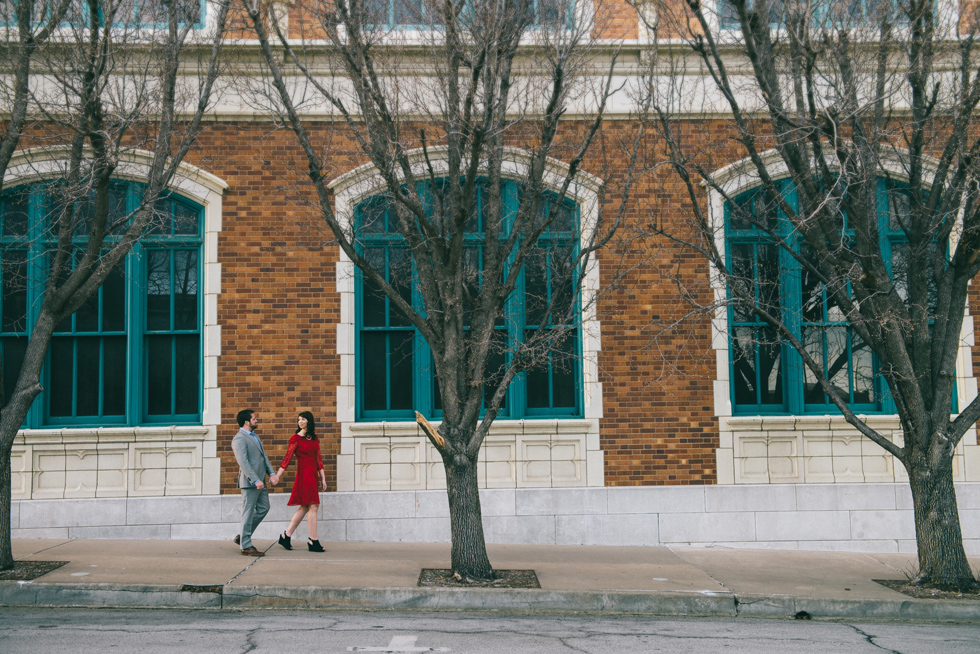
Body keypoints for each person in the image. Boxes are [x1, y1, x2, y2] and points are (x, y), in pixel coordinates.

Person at [274, 411, 327, 553]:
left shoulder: (314, 438)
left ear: (309, 421)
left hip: (313, 475)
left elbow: (318, 459)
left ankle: (286, 536)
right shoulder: (295, 439)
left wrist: (323, 478)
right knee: (313, 506)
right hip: (304, 475)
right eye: (299, 420)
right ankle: (313, 541)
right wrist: (278, 475)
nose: (300, 422)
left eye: (303, 419)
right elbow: (287, 458)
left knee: (305, 507)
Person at [231, 409, 279, 556]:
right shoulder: (239, 439)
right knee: (248, 512)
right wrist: (255, 480)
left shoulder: (255, 436)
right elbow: (243, 462)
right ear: (247, 422)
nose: (256, 420)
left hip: (261, 481)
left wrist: (271, 473)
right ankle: (246, 546)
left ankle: (243, 536)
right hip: (251, 483)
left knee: (264, 508)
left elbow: (264, 457)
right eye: (254, 418)